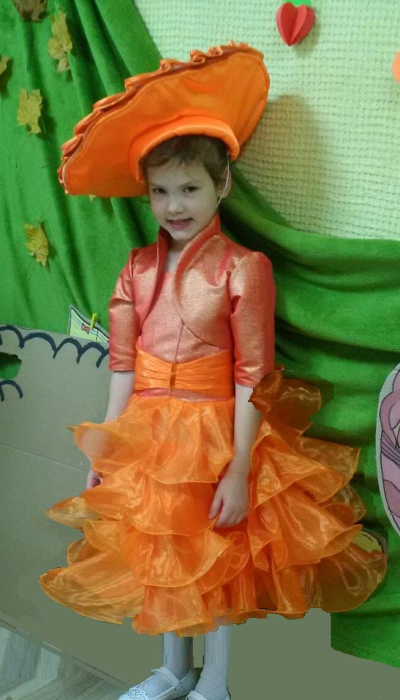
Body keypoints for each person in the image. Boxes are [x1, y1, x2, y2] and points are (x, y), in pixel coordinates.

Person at [39, 44, 388, 700]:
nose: (174, 205)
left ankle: (216, 681)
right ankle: (174, 669)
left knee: (218, 555)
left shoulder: (242, 268)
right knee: (163, 552)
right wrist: (109, 446)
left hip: (216, 434)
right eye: (160, 191)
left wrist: (237, 467)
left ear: (222, 184)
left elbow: (254, 373)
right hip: (151, 434)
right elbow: (123, 364)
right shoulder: (137, 268)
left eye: (190, 188)